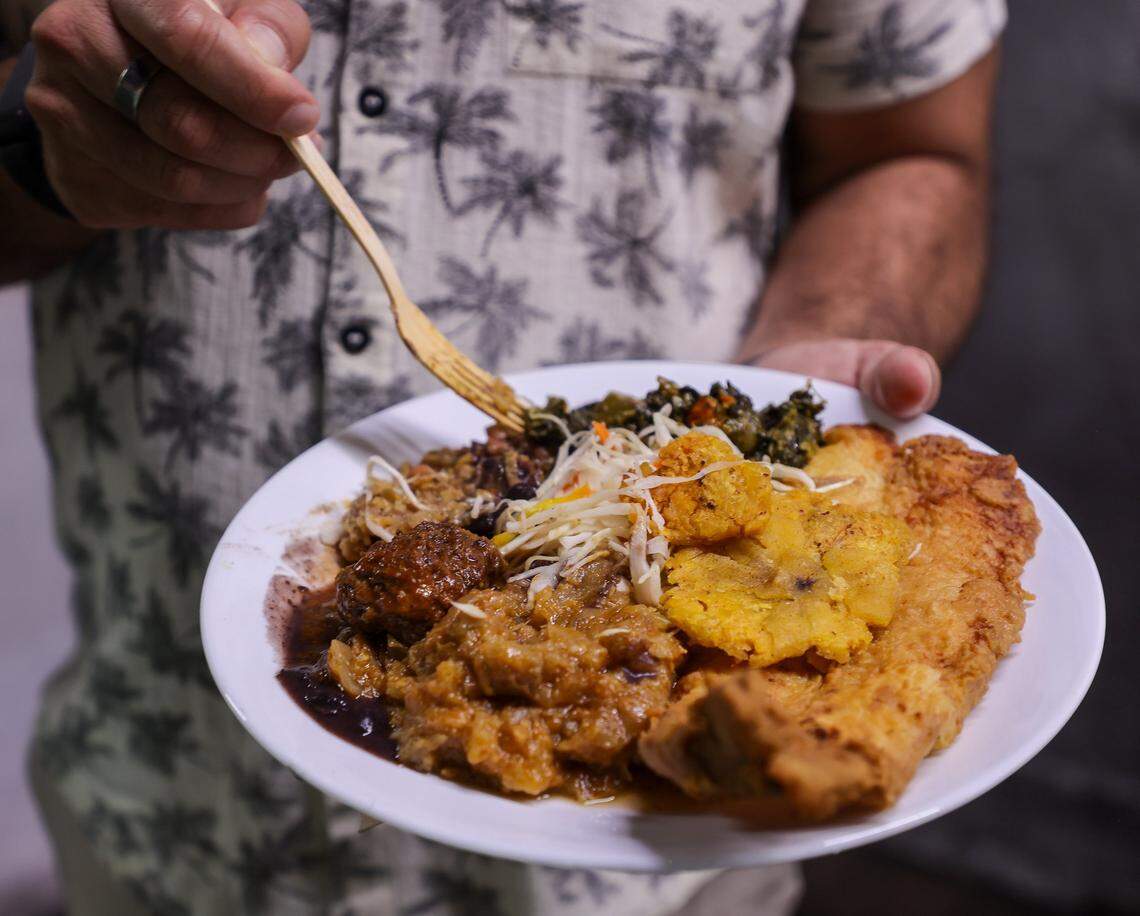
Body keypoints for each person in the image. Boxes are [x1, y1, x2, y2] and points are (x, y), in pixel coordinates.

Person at [0, 0, 1004, 912]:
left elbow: (909, 148)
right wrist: (36, 153)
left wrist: (812, 372)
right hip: (171, 800)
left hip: (668, 870)